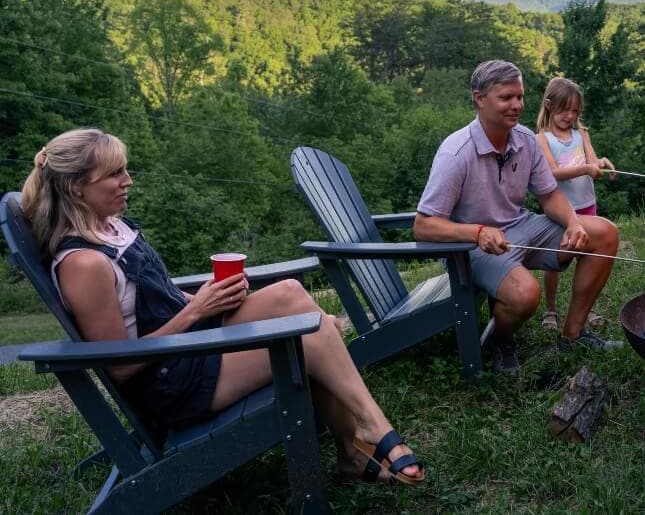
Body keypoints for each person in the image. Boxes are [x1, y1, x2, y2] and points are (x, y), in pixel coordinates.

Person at [20, 128, 424, 485]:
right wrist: (195, 313)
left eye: (125, 169)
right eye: (114, 174)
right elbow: (120, 366)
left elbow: (148, 298)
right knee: (312, 334)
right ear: (76, 187)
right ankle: (371, 429)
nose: (128, 181)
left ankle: (355, 451)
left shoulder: (111, 227)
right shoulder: (83, 263)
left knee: (289, 293)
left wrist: (203, 300)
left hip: (190, 350)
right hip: (172, 382)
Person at [413, 60, 623, 376]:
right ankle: (503, 340)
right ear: (479, 98)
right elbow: (423, 225)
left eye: (520, 97)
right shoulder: (456, 153)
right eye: (506, 98)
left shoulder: (524, 140)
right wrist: (478, 232)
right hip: (471, 246)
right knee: (526, 294)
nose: (516, 105)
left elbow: (549, 195)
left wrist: (574, 223)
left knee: (604, 233)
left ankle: (574, 334)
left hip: (519, 226)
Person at [535, 77, 616, 331]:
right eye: (564, 110)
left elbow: (592, 160)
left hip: (587, 206)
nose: (569, 116)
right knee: (555, 263)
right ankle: (551, 310)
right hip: (561, 211)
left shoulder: (581, 134)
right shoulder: (543, 139)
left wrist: (601, 163)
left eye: (575, 111)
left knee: (588, 258)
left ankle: (586, 308)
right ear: (549, 105)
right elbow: (553, 172)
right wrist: (586, 168)